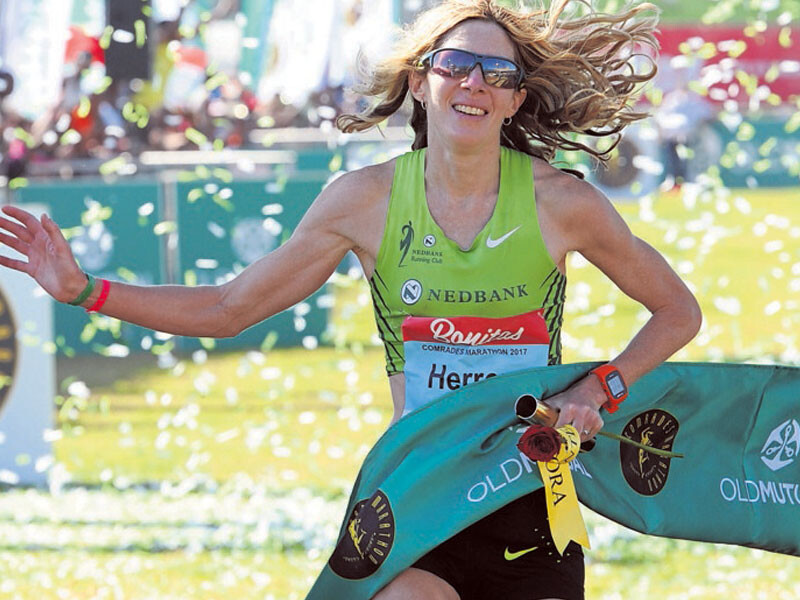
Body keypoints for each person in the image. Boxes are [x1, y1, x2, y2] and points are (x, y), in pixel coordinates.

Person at [0, 1, 701, 598]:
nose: (474, 83)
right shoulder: (364, 201)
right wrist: (84, 290)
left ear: (517, 98)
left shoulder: (563, 203)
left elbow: (678, 311)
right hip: (417, 488)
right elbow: (227, 309)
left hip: (528, 492)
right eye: (456, 64)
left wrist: (599, 387)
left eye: (498, 73)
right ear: (420, 81)